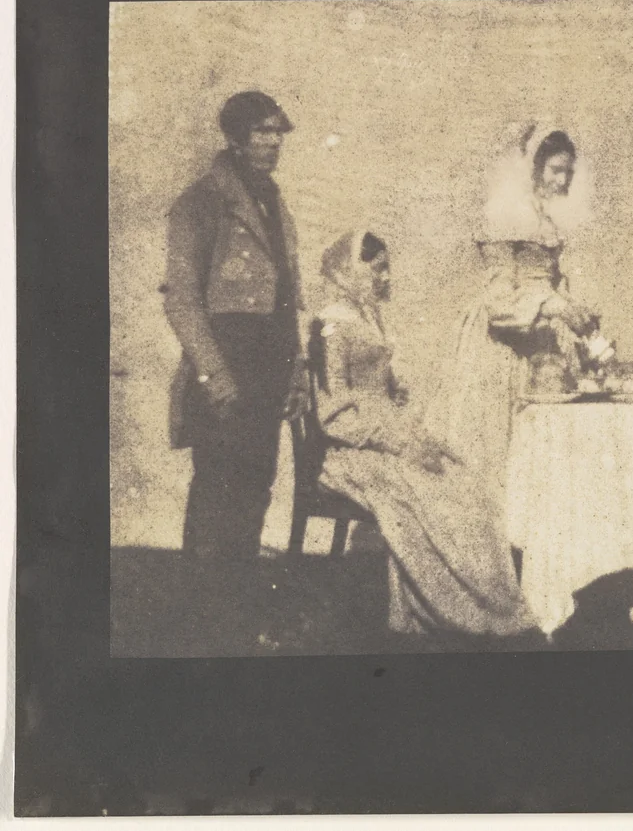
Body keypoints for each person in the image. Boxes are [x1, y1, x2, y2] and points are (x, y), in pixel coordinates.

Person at [311, 230, 537, 638]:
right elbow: (334, 417)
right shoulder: (331, 326)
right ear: (351, 270)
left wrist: (400, 409)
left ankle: (489, 603)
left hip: (385, 438)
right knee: (428, 491)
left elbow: (379, 389)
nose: (385, 279)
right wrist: (396, 440)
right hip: (349, 451)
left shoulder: (366, 317)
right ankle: (452, 611)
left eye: (386, 269)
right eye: (377, 270)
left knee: (465, 479)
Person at [426, 125, 599, 535]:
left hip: (538, 341)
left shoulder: (544, 218)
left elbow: (548, 281)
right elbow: (499, 304)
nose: (562, 181)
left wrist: (573, 305)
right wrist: (554, 305)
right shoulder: (509, 215)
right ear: (534, 167)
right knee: (494, 451)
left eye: (568, 173)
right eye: (556, 170)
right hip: (500, 348)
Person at [164, 91, 309, 558]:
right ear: (234, 138)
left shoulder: (273, 201)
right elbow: (182, 301)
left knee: (256, 486)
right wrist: (215, 375)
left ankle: (239, 609)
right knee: (216, 489)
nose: (273, 142)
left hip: (269, 367)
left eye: (277, 132)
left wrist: (295, 369)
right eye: (261, 132)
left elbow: (286, 298)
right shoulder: (202, 201)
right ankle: (203, 617)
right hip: (228, 365)